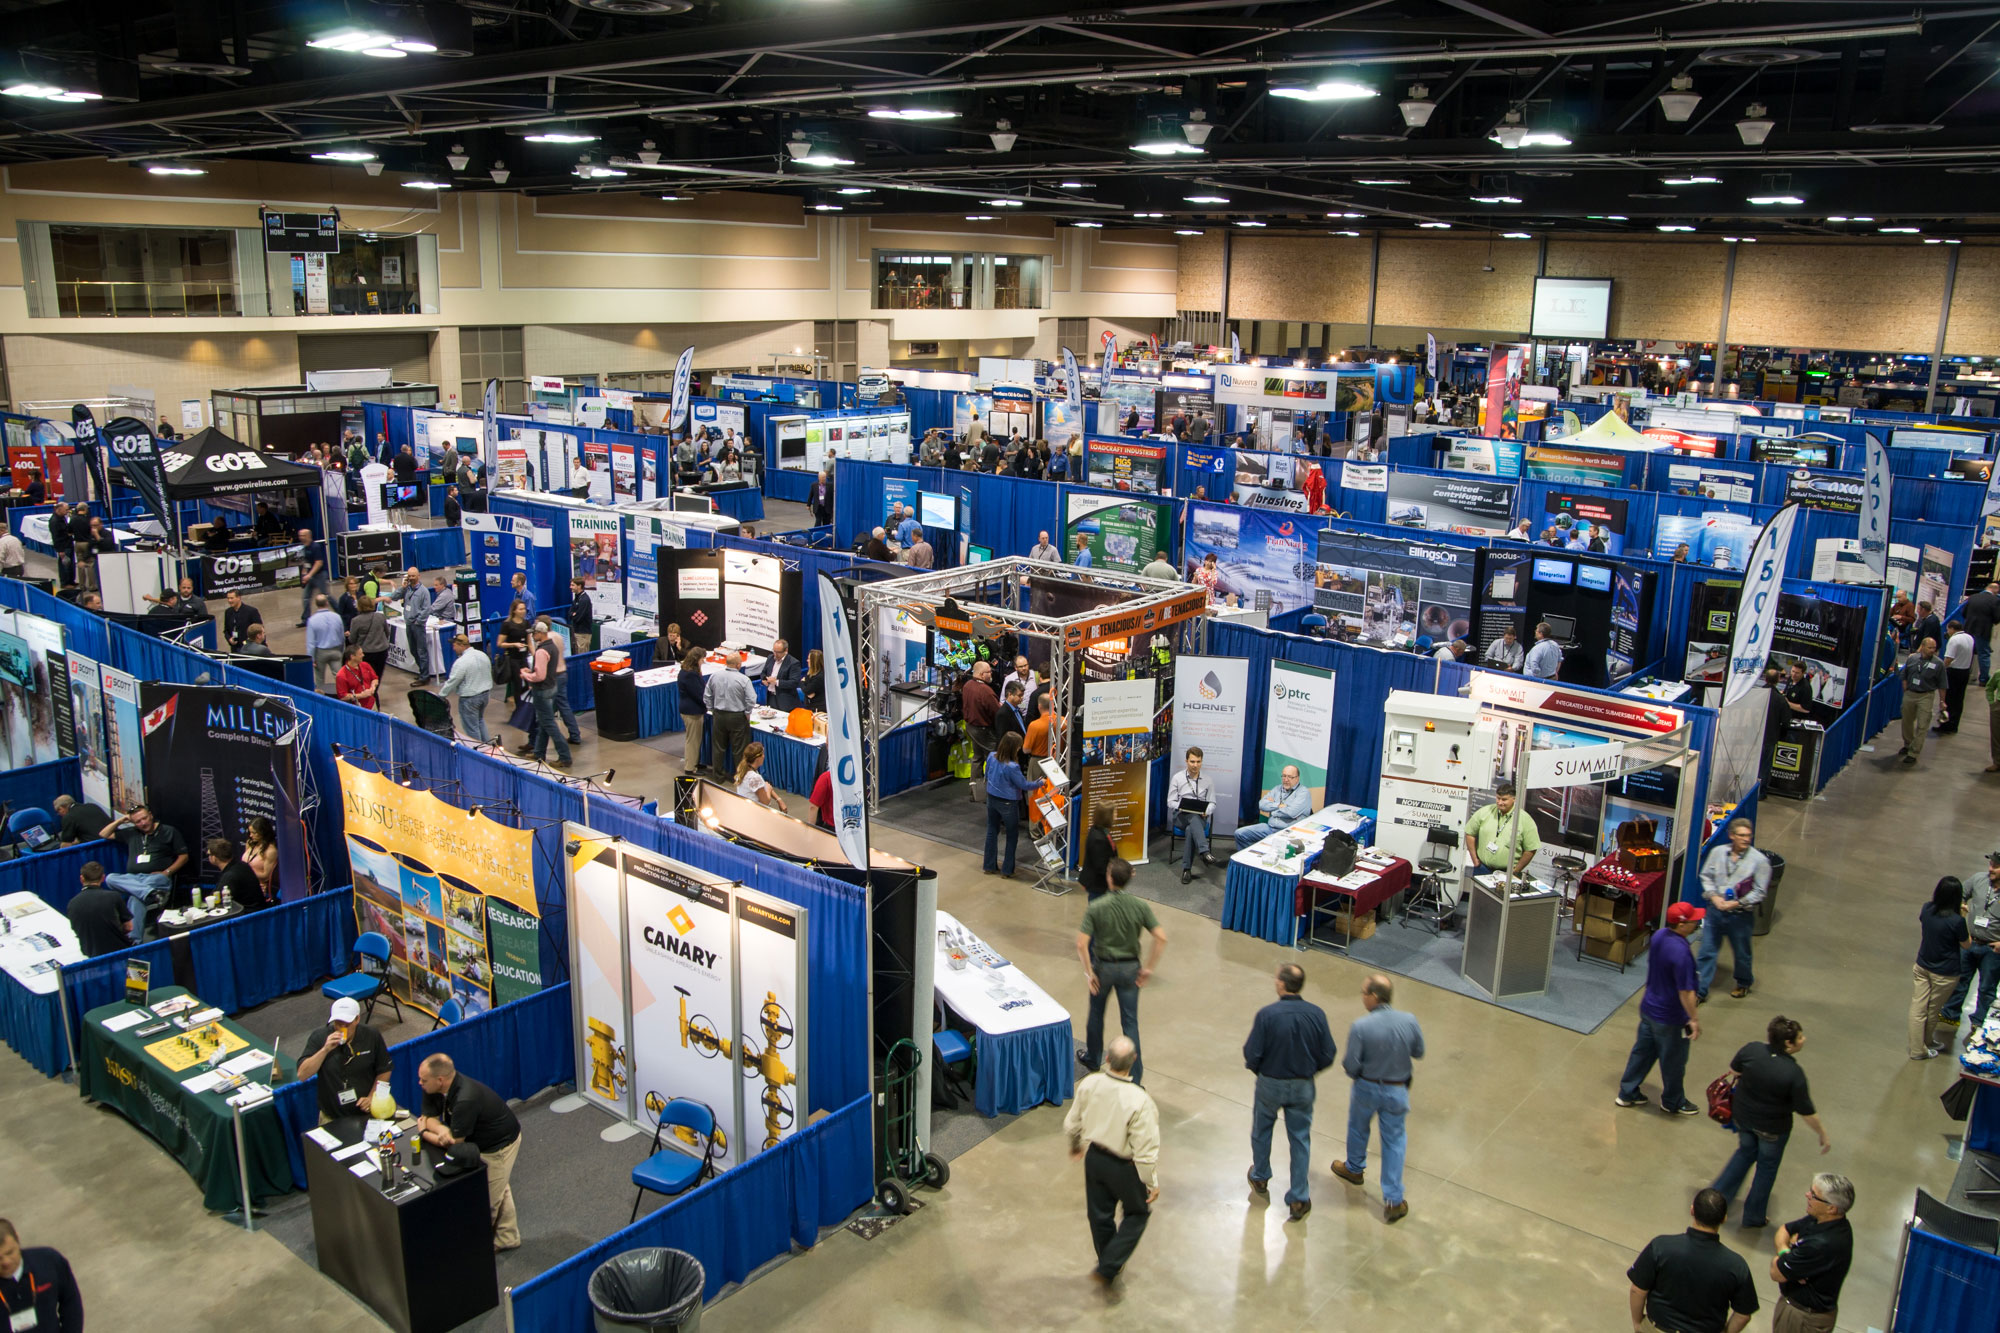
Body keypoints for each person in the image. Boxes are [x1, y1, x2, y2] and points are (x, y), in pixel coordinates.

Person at [1711, 1015, 1831, 1231]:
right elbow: (1806, 1112)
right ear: (1788, 1044)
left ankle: (1714, 1202)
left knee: (1745, 1153)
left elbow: (1735, 1070)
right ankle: (1753, 1216)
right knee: (1766, 1169)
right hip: (1772, 1130)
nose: (1804, 1039)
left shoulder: (1752, 1050)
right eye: (1800, 1037)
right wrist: (1822, 1132)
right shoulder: (1793, 1074)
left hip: (1743, 1118)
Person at [1243, 963, 1337, 1222]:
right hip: (1302, 1085)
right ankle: (1298, 1198)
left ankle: (1260, 1176)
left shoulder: (1267, 1015)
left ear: (1282, 984)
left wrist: (1263, 1072)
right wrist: (1310, 1071)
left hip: (1270, 1083)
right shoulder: (1316, 1014)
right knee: (1300, 1138)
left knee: (1262, 1130)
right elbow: (1328, 1053)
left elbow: (1252, 1053)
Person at [1064, 1035, 1159, 1285]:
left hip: (1095, 1158)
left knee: (1099, 1215)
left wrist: (1075, 1146)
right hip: (1125, 1167)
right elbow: (1145, 1149)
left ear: (1107, 1059)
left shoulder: (1089, 1084)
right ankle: (1109, 1264)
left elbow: (1072, 1123)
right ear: (1133, 1060)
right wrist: (1151, 1182)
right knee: (1137, 1213)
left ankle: (1106, 1260)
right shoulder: (1140, 1100)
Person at [1330, 974, 1424, 1224]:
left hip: (1366, 1088)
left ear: (1374, 996)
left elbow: (1351, 1064)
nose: (1362, 997)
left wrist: (1361, 1075)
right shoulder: (1409, 1020)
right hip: (1397, 1090)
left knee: (1358, 1128)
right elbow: (1419, 1051)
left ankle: (1354, 1168)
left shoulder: (1361, 1026)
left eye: (1363, 993)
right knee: (1394, 1141)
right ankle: (1393, 1200)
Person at [416, 1053, 523, 1251]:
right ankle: (507, 1237)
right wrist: (441, 1130)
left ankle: (475, 1251)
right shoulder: (431, 1087)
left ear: (440, 1080)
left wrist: (424, 1133)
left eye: (423, 1080)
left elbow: (454, 1143)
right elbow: (428, 1118)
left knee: (486, 1200)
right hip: (474, 1141)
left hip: (498, 1146)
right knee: (499, 1185)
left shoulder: (466, 1098)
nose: (419, 1083)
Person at [1076, 859, 1166, 1082]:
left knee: (1096, 1013)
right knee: (1130, 1021)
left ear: (1109, 878)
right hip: (1130, 969)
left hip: (1103, 968)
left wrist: (1089, 973)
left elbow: (1081, 944)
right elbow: (1161, 938)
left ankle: (1093, 1058)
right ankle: (1135, 1076)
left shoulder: (1097, 907)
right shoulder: (1140, 906)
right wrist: (1149, 968)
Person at [1627, 1189, 1760, 1333]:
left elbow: (1637, 1290)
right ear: (1724, 1219)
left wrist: (1638, 1323)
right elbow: (1743, 1315)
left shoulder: (1660, 1247)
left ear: (1692, 1211)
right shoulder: (1736, 1265)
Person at [1616, 900, 1706, 1114]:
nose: (1696, 922)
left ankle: (1627, 1093)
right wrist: (1693, 1019)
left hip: (1649, 1008)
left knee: (1642, 1053)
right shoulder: (1681, 953)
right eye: (1692, 920)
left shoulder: (1659, 936)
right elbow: (1686, 992)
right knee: (1674, 1060)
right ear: (1681, 925)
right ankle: (1673, 1101)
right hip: (1670, 1017)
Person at [1696, 818, 1770, 1002]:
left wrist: (1737, 903)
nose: (1746, 839)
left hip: (1740, 916)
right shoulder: (1718, 852)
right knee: (1707, 951)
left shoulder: (1760, 861)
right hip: (1715, 912)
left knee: (1742, 953)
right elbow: (1706, 876)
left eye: (1748, 835)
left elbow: (1760, 891)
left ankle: (1744, 982)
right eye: (1741, 835)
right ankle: (1699, 991)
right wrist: (1714, 896)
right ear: (1731, 835)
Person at [1771, 1174, 1855, 1333]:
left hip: (1803, 1319)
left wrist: (1789, 1251)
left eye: (1814, 1195)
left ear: (1831, 1208)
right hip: (1796, 1308)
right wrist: (1786, 1251)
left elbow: (1776, 1272)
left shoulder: (1822, 1244)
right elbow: (1784, 1230)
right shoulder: (1819, 1219)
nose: (1807, 1195)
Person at [299, 996, 393, 1125]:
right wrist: (325, 1050)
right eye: (338, 1023)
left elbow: (385, 1070)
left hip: (365, 1113)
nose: (342, 1028)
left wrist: (372, 1097)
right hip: (332, 1118)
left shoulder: (371, 1035)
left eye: (347, 1024)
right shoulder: (319, 1037)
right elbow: (302, 1075)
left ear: (357, 1019)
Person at [99, 805, 189, 935]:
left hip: (158, 878)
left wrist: (167, 872)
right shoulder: (131, 833)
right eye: (138, 821)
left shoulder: (168, 831)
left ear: (151, 815)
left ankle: (134, 941)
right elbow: (103, 834)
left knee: (136, 895)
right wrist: (120, 820)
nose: (143, 823)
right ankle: (150, 893)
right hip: (134, 879)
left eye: (144, 818)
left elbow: (184, 856)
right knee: (110, 878)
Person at [1942, 851, 2000, 1034]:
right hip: (1969, 942)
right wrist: (1959, 906)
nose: (1991, 869)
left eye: (1996, 866)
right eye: (1990, 864)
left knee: (1987, 987)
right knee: (1960, 979)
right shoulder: (1979, 879)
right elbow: (1959, 894)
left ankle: (1979, 1021)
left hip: (1993, 950)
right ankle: (1950, 1014)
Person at [1912, 875, 1968, 1060]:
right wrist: (1963, 915)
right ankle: (1923, 1046)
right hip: (1944, 973)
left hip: (1922, 965)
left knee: (1918, 1007)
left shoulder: (1927, 909)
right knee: (1932, 1009)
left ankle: (1919, 1046)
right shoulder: (1957, 921)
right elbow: (1966, 944)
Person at [0, 1218, 83, 1333]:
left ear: (17, 1238)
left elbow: (70, 1302)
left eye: (10, 1252)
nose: (6, 1262)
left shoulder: (49, 1261)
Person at [518, 620, 573, 769]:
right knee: (543, 723)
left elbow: (540, 676)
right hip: (551, 687)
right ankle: (539, 752)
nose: (532, 636)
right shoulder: (552, 646)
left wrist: (526, 675)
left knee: (549, 724)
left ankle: (565, 757)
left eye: (534, 633)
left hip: (542, 690)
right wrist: (532, 672)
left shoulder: (541, 651)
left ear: (540, 633)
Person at [981, 732, 1036, 877]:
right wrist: (1040, 783)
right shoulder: (1012, 767)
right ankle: (1007, 870)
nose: (1019, 749)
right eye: (1018, 747)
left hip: (991, 798)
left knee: (992, 831)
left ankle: (989, 866)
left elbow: (986, 773)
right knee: (1012, 835)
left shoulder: (991, 756)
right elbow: (1024, 785)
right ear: (1013, 748)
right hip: (1008, 803)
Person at [1462, 780, 1540, 876]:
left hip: (1507, 873)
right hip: (1482, 868)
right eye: (1498, 798)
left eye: (1504, 799)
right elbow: (1469, 832)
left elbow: (1531, 849)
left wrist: (1516, 870)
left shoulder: (1525, 820)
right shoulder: (1485, 812)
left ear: (1514, 799)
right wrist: (1475, 860)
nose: (1499, 802)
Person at [1166, 747, 1217, 884]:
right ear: (1186, 761)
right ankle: (1204, 852)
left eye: (1198, 762)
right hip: (1180, 816)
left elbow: (1212, 803)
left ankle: (1186, 869)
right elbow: (1170, 802)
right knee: (1192, 817)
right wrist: (1184, 805)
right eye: (1192, 761)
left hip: (1200, 818)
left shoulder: (1208, 780)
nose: (1195, 765)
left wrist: (1207, 811)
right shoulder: (1177, 778)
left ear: (1202, 762)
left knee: (1191, 828)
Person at [702, 650, 755, 779]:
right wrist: (747, 712)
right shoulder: (744, 679)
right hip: (737, 717)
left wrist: (712, 709)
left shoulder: (715, 676)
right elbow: (751, 698)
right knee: (739, 749)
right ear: (738, 664)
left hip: (719, 715)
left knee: (718, 747)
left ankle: (718, 776)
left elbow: (707, 696)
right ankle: (740, 777)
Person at [1233, 765, 1311, 849]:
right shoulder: (1277, 789)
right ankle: (1250, 856)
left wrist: (1272, 809)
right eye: (1284, 776)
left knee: (1270, 842)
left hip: (1288, 832)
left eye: (1290, 777)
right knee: (1239, 833)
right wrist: (1279, 805)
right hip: (1270, 827)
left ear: (1297, 778)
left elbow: (1291, 813)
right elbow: (1261, 804)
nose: (1286, 779)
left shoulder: (1303, 792)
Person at [66, 860, 132, 956]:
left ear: (81, 878)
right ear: (103, 878)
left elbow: (77, 930)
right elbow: (129, 927)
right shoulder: (114, 896)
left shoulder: (72, 903)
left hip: (91, 956)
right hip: (119, 952)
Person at [438, 634, 493, 743]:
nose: (453, 648)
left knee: (472, 728)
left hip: (470, 699)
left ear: (461, 645)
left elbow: (453, 680)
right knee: (480, 721)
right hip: (485, 695)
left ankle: (477, 750)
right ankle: (488, 746)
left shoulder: (462, 662)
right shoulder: (482, 655)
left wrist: (441, 695)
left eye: (454, 645)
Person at [1899, 636, 1945, 765]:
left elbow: (1942, 684)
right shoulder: (1912, 659)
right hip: (1910, 694)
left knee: (1922, 725)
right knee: (1907, 722)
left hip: (1926, 696)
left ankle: (1914, 752)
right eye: (1930, 647)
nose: (1932, 650)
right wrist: (1906, 690)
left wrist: (1942, 701)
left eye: (1934, 648)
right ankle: (1908, 744)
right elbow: (1904, 675)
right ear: (1923, 647)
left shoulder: (1939, 664)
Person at [960, 660, 1000, 802]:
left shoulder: (967, 685)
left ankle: (975, 793)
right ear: (982, 675)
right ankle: (991, 793)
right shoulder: (986, 691)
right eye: (989, 672)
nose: (991, 674)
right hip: (984, 730)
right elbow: (997, 712)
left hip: (971, 728)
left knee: (977, 758)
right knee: (993, 759)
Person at [209, 836, 269, 911]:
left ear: (214, 858)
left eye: (209, 854)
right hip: (258, 910)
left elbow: (216, 899)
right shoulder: (242, 865)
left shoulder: (230, 875)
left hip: (249, 914)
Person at [397, 568, 434, 684]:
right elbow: (395, 596)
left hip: (418, 625)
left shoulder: (424, 591)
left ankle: (424, 676)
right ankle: (422, 672)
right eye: (409, 576)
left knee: (421, 651)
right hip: (409, 624)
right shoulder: (407, 589)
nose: (411, 578)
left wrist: (418, 621)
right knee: (413, 650)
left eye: (413, 576)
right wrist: (403, 587)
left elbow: (426, 609)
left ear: (418, 576)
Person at [678, 646, 710, 774]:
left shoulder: (685, 670)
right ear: (697, 659)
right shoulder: (690, 675)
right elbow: (698, 694)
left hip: (689, 709)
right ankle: (690, 768)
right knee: (693, 740)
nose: (703, 662)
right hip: (692, 711)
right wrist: (708, 704)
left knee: (694, 739)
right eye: (702, 659)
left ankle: (694, 762)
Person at [306, 592, 346, 692]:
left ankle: (321, 696)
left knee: (320, 679)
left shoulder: (312, 620)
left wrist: (311, 658)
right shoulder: (337, 617)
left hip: (320, 653)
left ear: (316, 604)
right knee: (339, 677)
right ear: (327, 603)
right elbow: (342, 636)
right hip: (336, 650)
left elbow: (311, 643)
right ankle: (342, 695)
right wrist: (342, 650)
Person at [1940, 619, 1975, 733]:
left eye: (1948, 630)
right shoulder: (1969, 637)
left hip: (1954, 672)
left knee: (1949, 700)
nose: (1947, 632)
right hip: (1965, 671)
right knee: (1959, 700)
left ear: (1951, 628)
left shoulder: (1954, 639)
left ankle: (1946, 725)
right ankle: (1954, 725)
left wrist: (1941, 670)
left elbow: (1949, 658)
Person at [349, 593, 393, 682]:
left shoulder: (356, 620)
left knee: (366, 678)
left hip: (365, 653)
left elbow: (352, 639)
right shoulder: (381, 617)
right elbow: (387, 633)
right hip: (382, 651)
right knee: (377, 676)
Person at [495, 603, 532, 707]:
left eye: (524, 609)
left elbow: (529, 642)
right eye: (520, 609)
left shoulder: (526, 623)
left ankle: (526, 706)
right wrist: (514, 644)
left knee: (527, 682)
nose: (523, 611)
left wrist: (535, 655)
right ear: (514, 611)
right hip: (513, 658)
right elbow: (500, 643)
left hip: (523, 657)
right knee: (517, 684)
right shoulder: (507, 625)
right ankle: (519, 707)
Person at [1964, 579, 1999, 685]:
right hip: (1983, 631)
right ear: (1995, 590)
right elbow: (1997, 618)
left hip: (1968, 629)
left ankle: (1965, 674)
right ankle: (1983, 680)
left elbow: (1964, 613)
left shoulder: (1973, 597)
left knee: (1967, 653)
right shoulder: (1995, 600)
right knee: (1983, 654)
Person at [734, 741, 787, 811]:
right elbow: (765, 802)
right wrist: (769, 789)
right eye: (763, 754)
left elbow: (762, 787)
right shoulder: (754, 778)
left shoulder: (746, 770)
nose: (764, 756)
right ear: (757, 759)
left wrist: (779, 800)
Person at [1079, 808, 1115, 900]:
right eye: (1115, 813)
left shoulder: (1101, 830)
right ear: (1107, 817)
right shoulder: (1098, 839)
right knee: (1097, 907)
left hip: (1101, 883)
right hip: (1098, 884)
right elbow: (1100, 866)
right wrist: (1117, 875)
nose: (1116, 816)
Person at [243, 816, 279, 905]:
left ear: (263, 832)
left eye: (254, 833)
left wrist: (247, 872)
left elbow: (266, 876)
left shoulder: (270, 851)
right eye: (250, 832)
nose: (251, 835)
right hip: (245, 883)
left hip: (260, 887)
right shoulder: (249, 844)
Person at [297, 530, 328, 627]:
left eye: (303, 535)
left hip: (319, 575)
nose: (301, 537)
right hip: (310, 576)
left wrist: (309, 575)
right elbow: (306, 562)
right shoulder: (304, 548)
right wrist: (304, 574)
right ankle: (305, 619)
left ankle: (339, 613)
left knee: (326, 596)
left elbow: (319, 563)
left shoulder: (315, 547)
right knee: (306, 598)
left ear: (308, 536)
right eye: (300, 535)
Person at [335, 645, 381, 711]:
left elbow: (375, 678)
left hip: (372, 704)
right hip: (356, 709)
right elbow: (343, 696)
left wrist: (372, 688)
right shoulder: (341, 675)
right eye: (360, 654)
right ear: (352, 657)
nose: (363, 655)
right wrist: (361, 695)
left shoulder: (365, 665)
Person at [763, 638, 803, 711]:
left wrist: (776, 682)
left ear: (786, 650)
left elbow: (794, 683)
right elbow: (763, 672)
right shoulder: (770, 658)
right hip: (771, 698)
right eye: (774, 651)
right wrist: (764, 679)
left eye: (778, 652)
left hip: (785, 701)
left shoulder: (793, 663)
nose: (775, 654)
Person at [1023, 693, 1055, 761]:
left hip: (1038, 761)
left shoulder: (1034, 725)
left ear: (1039, 706)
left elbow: (1026, 749)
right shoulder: (1063, 722)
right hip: (1059, 761)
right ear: (1053, 705)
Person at [567, 576, 595, 654]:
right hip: (576, 632)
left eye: (572, 585)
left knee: (582, 655)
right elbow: (569, 613)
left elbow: (578, 618)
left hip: (583, 634)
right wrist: (573, 614)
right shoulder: (577, 597)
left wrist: (574, 615)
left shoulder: (584, 600)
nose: (570, 587)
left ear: (579, 586)